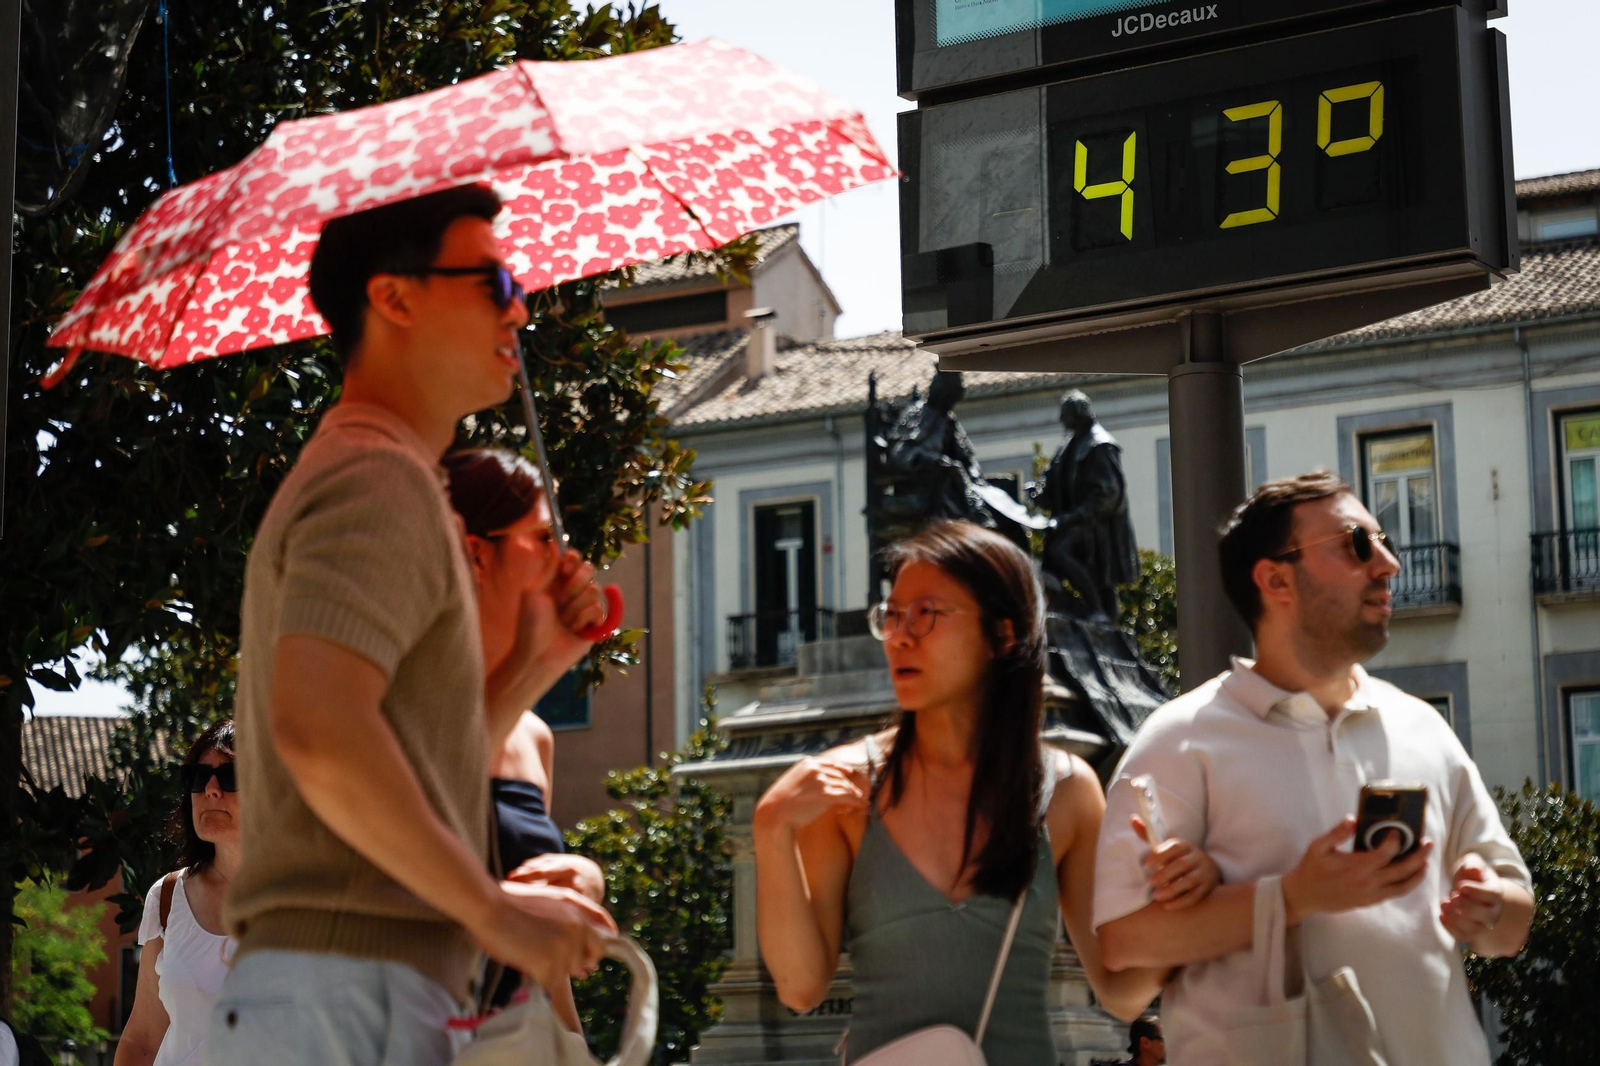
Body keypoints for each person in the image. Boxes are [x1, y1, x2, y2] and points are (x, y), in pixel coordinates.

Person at [209, 184, 616, 1066]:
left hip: (349, 994)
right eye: (495, 279)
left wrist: (543, 656)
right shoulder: (377, 474)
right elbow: (320, 731)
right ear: (393, 297)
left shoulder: (385, 472)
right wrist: (494, 909)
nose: (520, 303)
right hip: (343, 998)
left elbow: (414, 761)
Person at [1094, 471, 1534, 1065]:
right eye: (1357, 543)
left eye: (1385, 544)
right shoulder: (1179, 741)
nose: (1387, 564)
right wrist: (1296, 895)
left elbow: (1513, 925)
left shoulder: (1422, 726)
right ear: (1276, 579)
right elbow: (1122, 948)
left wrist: (1490, 905)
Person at [752, 520, 1218, 1064]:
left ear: (1002, 635)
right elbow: (800, 987)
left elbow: (1120, 992)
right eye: (892, 615)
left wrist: (1175, 904)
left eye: (926, 614)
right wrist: (771, 825)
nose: (900, 635)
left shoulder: (1065, 790)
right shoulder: (843, 787)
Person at [444, 446, 610, 1027]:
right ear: (475, 553)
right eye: (542, 536)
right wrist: (540, 660)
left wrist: (581, 878)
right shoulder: (403, 706)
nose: (561, 557)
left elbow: (541, 961)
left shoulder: (534, 735)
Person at [116, 721, 240, 1066]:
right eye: (199, 778)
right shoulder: (168, 896)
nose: (211, 790)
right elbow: (142, 1038)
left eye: (232, 777)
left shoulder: (308, 902)